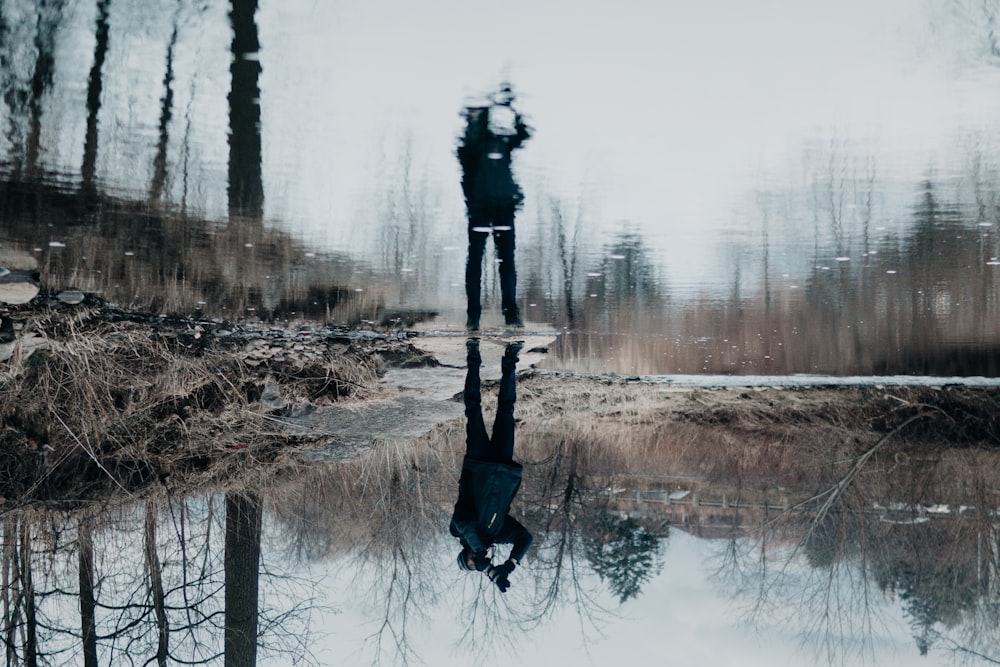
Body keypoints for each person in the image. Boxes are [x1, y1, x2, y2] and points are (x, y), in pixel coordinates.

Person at [450, 338, 532, 592]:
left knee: (473, 409)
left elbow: (466, 522)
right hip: (503, 468)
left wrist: (480, 552)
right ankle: (510, 359)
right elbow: (524, 538)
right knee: (506, 410)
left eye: (472, 563)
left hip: (478, 464)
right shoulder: (498, 534)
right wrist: (511, 563)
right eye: (479, 565)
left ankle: (473, 356)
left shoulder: (457, 531)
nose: (479, 562)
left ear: (466, 556)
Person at [457, 83, 532, 331]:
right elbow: (521, 134)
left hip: (497, 206)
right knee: (485, 261)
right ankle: (477, 316)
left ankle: (504, 314)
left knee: (498, 261)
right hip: (487, 207)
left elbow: (524, 134)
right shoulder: (474, 145)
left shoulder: (494, 142)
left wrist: (512, 106)